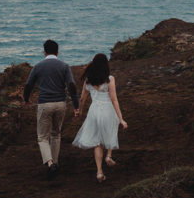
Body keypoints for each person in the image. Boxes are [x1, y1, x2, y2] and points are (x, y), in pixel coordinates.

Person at [23, 39, 80, 179]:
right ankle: (55, 162)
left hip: (45, 104)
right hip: (60, 104)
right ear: (58, 51)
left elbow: (28, 85)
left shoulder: (38, 66)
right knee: (56, 133)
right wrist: (76, 106)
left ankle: (49, 164)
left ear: (44, 52)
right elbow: (71, 86)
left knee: (42, 137)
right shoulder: (64, 66)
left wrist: (26, 99)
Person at [72, 53, 127, 183]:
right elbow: (114, 99)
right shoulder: (109, 79)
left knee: (97, 142)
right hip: (108, 109)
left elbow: (82, 98)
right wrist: (121, 118)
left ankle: (99, 172)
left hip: (94, 111)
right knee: (110, 131)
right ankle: (108, 155)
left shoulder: (88, 80)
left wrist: (79, 111)